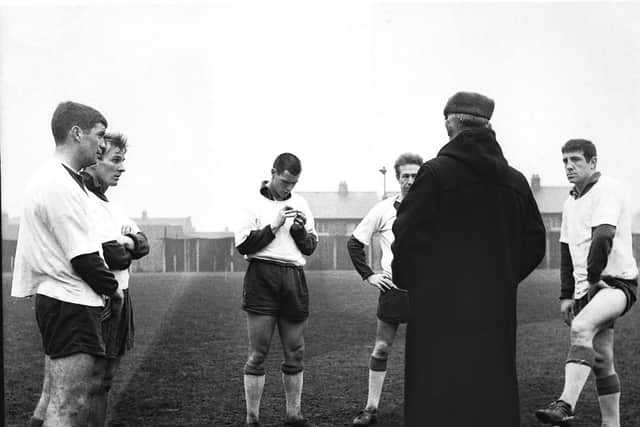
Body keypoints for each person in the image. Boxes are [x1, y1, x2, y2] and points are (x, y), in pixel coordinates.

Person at [391, 92, 546, 426]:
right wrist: (503, 276)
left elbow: (406, 239)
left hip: (438, 313)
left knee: (437, 397)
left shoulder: (434, 175)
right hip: (495, 310)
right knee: (491, 395)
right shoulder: (515, 182)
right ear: (488, 126)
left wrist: (416, 285)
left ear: (450, 124)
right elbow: (535, 242)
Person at [27, 132, 151, 427]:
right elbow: (113, 257)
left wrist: (129, 242)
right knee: (75, 390)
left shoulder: (113, 205)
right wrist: (125, 245)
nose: (122, 168)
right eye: (115, 160)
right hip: (97, 297)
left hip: (120, 294)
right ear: (95, 161)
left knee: (103, 381)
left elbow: (143, 244)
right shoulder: (81, 201)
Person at [12, 101, 119, 426]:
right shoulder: (60, 184)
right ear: (76, 133)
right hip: (70, 303)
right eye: (99, 135)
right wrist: (113, 290)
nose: (103, 144)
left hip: (60, 301)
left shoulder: (55, 178)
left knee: (51, 402)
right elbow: (84, 257)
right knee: (68, 405)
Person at [534, 139, 637, 426]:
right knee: (603, 360)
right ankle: (611, 423)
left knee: (581, 327)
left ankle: (565, 404)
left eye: (576, 160)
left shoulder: (608, 189)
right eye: (565, 160)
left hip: (614, 285)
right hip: (586, 290)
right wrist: (566, 294)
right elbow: (565, 249)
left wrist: (593, 280)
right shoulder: (569, 202)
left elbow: (603, 235)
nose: (569, 166)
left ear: (593, 163)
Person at [234, 153, 319, 427]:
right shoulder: (251, 204)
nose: (289, 188)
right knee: (258, 353)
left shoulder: (301, 203)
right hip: (262, 276)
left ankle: (293, 414)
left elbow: (309, 247)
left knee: (295, 351)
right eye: (284, 182)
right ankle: (252, 417)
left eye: (293, 183)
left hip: (293, 278)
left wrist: (298, 231)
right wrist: (274, 226)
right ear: (272, 172)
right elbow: (244, 245)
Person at [347, 152, 423, 426]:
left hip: (426, 292)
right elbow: (355, 243)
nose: (410, 181)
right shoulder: (383, 209)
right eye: (406, 176)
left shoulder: (434, 208)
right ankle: (370, 409)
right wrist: (369, 275)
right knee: (380, 349)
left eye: (415, 176)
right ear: (397, 178)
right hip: (393, 288)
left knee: (429, 352)